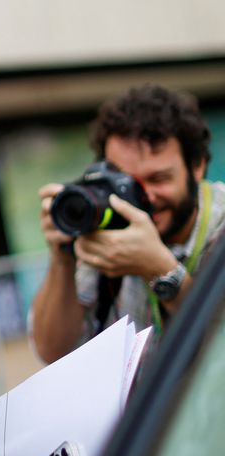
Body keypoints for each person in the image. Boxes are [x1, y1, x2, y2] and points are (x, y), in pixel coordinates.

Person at [31, 84, 225, 364]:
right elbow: (53, 352)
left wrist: (161, 270)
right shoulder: (105, 231)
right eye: (126, 183)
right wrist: (62, 258)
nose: (143, 197)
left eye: (159, 179)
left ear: (197, 166)